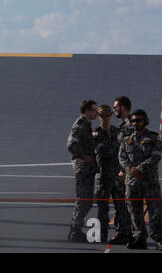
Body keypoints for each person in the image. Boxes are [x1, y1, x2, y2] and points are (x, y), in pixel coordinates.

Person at [119, 109, 162, 251]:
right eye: (133, 121)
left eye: (138, 120)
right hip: (132, 182)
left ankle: (159, 239)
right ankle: (139, 238)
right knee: (134, 211)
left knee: (155, 211)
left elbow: (156, 156)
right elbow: (122, 158)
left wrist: (140, 169)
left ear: (145, 121)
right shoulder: (126, 140)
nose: (135, 123)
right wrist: (131, 170)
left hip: (149, 182)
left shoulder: (153, 138)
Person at [93, 105, 130, 242]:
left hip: (117, 175)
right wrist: (115, 150)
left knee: (121, 206)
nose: (106, 118)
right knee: (102, 209)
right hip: (103, 176)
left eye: (108, 115)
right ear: (99, 117)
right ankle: (101, 235)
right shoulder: (96, 133)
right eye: (103, 116)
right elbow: (101, 150)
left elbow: (123, 149)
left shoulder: (116, 131)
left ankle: (122, 233)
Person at [67, 99, 98, 242]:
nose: (96, 112)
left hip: (88, 169)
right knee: (83, 200)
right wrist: (84, 156)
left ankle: (76, 229)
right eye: (94, 109)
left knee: (87, 201)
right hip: (83, 168)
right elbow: (71, 145)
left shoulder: (87, 125)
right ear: (87, 110)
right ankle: (75, 230)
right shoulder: (79, 125)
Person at [109, 96, 133, 244]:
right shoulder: (125, 125)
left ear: (122, 107)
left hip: (123, 172)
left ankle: (123, 232)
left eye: (116, 107)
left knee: (122, 203)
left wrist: (124, 170)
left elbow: (130, 150)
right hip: (120, 170)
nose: (114, 110)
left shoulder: (129, 126)